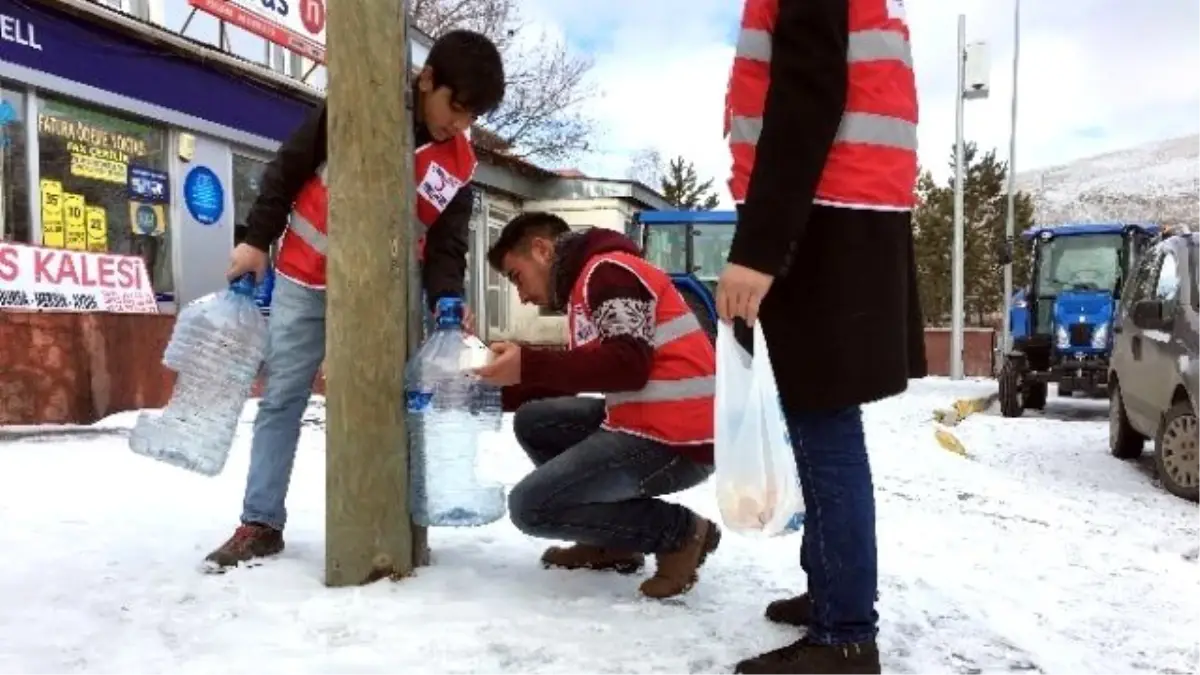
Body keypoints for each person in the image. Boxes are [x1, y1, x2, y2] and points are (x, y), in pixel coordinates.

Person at [204, 29, 506, 570]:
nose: (458, 125)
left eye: (470, 117)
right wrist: (254, 239)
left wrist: (446, 303)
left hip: (383, 297)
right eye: (455, 108)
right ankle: (260, 521)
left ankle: (391, 519)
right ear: (428, 79)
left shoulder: (459, 163)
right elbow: (290, 166)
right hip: (303, 277)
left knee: (391, 405)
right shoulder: (361, 105)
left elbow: (446, 243)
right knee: (282, 401)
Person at [715, 0, 925, 672]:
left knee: (822, 419)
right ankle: (832, 588)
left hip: (824, 215)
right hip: (850, 211)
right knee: (821, 414)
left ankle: (846, 636)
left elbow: (808, 94)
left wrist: (760, 247)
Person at [475, 212, 720, 599]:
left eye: (516, 277)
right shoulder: (588, 284)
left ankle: (678, 533)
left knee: (530, 507)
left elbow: (627, 365)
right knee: (536, 422)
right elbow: (582, 372)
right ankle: (612, 543)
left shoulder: (609, 272)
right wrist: (482, 391)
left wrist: (528, 364)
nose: (521, 296)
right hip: (648, 424)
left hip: (678, 442)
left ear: (541, 250)